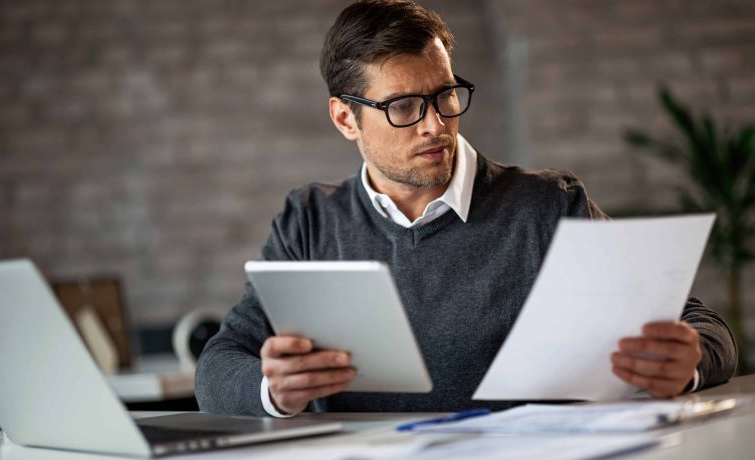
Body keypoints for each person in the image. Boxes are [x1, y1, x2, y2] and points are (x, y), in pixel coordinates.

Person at [195, 0, 737, 417]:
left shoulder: (548, 205)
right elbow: (218, 367)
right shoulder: (308, 220)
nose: (436, 124)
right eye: (403, 106)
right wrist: (273, 389)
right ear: (345, 120)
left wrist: (687, 362)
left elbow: (702, 325)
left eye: (445, 94)